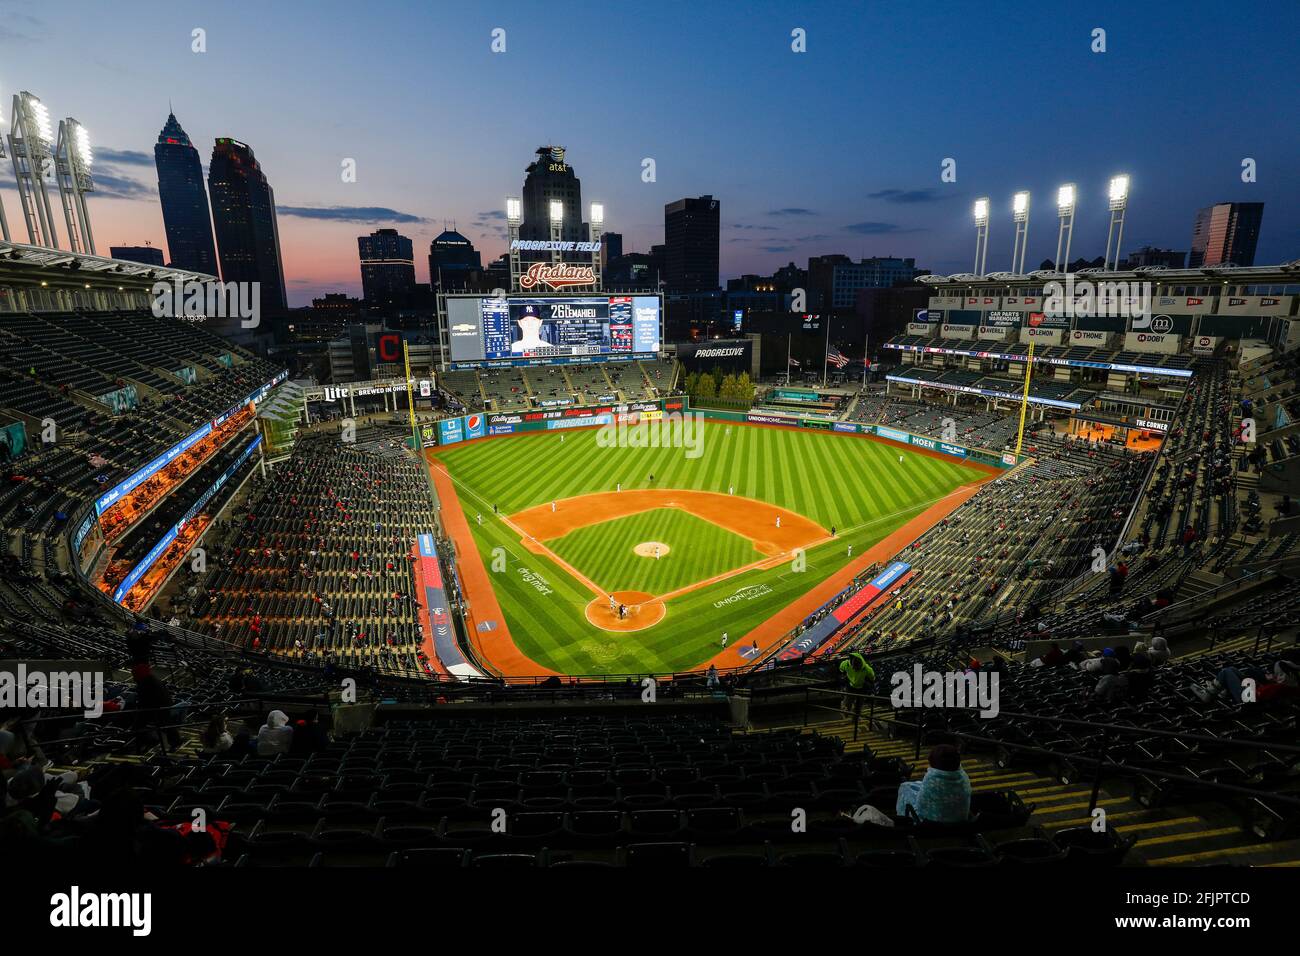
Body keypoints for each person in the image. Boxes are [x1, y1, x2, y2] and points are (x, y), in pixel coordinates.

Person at [896, 745, 971, 823]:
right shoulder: (963, 776)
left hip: (931, 825)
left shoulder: (931, 779)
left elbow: (920, 807)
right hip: (959, 823)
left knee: (904, 787)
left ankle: (903, 820)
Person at [839, 651, 874, 717]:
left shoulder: (867, 669)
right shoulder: (846, 664)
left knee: (858, 705)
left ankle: (855, 718)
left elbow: (872, 678)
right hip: (850, 686)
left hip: (862, 688)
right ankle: (846, 714)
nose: (855, 670)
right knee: (848, 702)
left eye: (857, 669)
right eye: (854, 668)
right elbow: (841, 669)